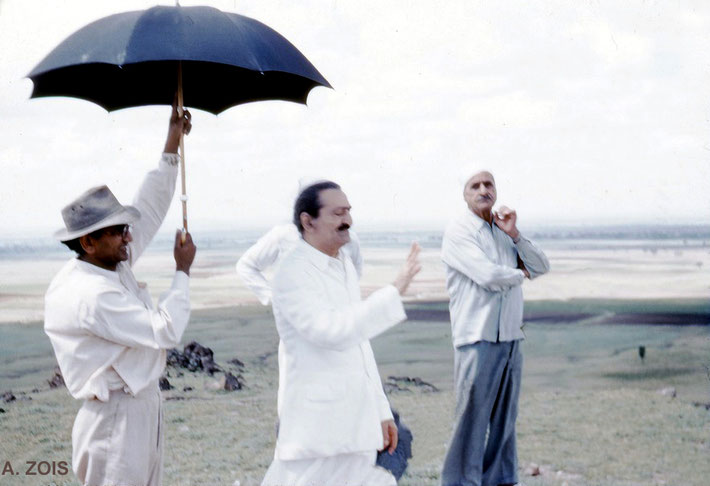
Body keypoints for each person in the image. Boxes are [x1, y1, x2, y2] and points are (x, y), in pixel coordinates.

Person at [44, 103, 195, 486]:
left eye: (125, 228)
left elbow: (149, 206)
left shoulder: (110, 264)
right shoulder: (90, 295)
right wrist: (182, 271)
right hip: (115, 420)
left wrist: (172, 143)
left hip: (140, 409)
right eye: (118, 231)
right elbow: (166, 331)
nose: (129, 236)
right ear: (89, 241)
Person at [261, 181, 421, 486]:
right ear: (308, 221)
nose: (348, 220)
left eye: (348, 211)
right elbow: (332, 332)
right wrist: (394, 290)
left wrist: (381, 410)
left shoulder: (343, 265)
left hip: (355, 421)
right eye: (337, 213)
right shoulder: (292, 273)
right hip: (317, 426)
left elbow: (359, 344)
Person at [440, 169, 550, 486]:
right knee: (471, 419)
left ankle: (500, 480)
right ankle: (459, 482)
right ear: (465, 193)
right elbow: (488, 276)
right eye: (475, 185)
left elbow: (542, 265)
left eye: (489, 184)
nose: (484, 189)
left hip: (511, 335)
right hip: (477, 336)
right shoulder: (459, 231)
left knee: (505, 419)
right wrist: (520, 274)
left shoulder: (503, 230)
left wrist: (515, 235)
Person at [236, 221, 362, 306]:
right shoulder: (285, 234)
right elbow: (246, 266)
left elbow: (354, 277)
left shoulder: (350, 238)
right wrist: (272, 298)